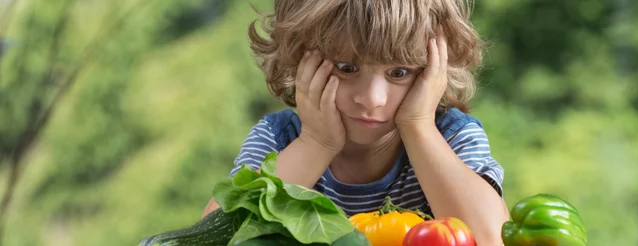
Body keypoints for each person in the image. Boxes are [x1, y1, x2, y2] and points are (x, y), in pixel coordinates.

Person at [202, 0, 509, 244]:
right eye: (347, 67)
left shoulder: (452, 137)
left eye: (399, 72)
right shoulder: (278, 138)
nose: (372, 98)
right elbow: (212, 239)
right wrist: (315, 144)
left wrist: (418, 126)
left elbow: (492, 239)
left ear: (433, 70)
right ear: (298, 57)